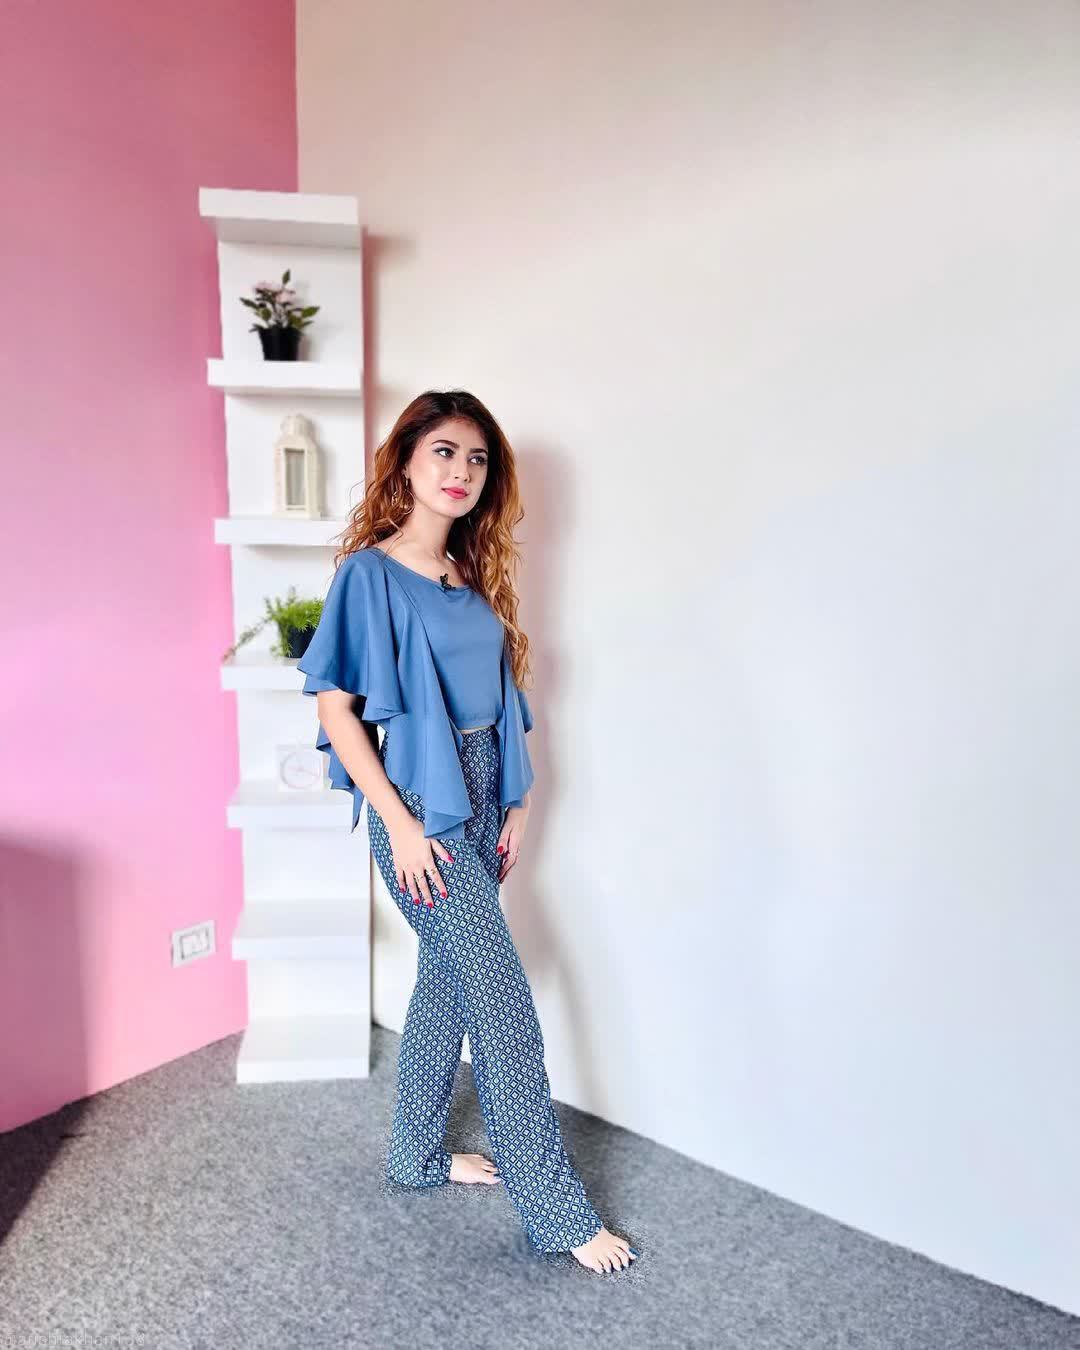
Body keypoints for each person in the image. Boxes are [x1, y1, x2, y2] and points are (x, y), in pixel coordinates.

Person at [296, 390, 638, 1275]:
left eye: (477, 459)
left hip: (486, 797)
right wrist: (401, 826)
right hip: (420, 805)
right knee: (503, 1003)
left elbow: (499, 697)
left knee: (445, 986)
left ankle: (415, 1156)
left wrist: (517, 802)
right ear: (407, 461)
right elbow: (336, 711)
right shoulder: (370, 575)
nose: (461, 472)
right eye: (444, 452)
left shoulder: (468, 572)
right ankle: (557, 1212)